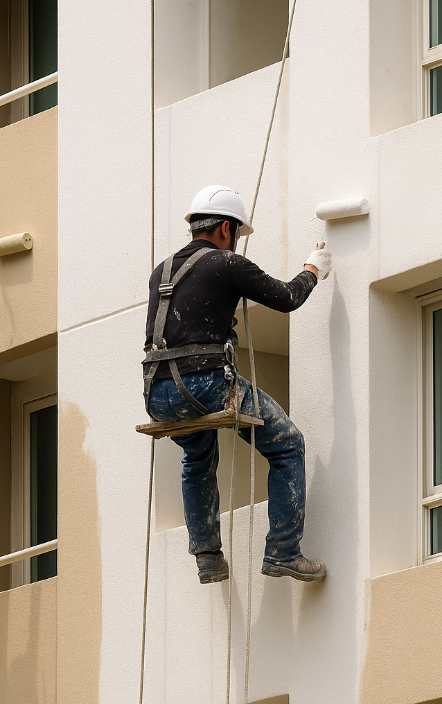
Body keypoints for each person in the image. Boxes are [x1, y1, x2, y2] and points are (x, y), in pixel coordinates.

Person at [142, 186, 332, 585]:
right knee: (287, 444)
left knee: (196, 457)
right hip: (205, 382)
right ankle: (283, 551)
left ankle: (208, 558)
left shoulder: (162, 270)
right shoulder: (226, 263)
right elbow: (286, 297)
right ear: (226, 228)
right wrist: (313, 269)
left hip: (159, 393)